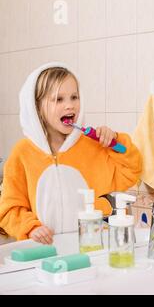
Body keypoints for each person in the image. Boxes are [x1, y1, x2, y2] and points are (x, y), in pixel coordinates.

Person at [0, 62, 142, 245]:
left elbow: (132, 171)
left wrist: (115, 141)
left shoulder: (94, 146)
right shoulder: (23, 154)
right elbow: (9, 209)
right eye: (58, 99)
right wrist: (31, 227)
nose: (70, 106)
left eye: (74, 97)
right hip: (44, 252)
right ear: (38, 108)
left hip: (92, 248)